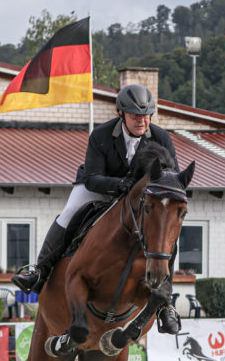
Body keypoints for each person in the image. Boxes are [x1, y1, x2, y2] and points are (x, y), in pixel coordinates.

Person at [11, 83, 181, 334]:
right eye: (135, 115)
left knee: (166, 228)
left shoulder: (161, 138)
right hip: (99, 188)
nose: (141, 121)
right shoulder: (101, 136)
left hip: (139, 197)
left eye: (146, 115)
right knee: (69, 212)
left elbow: (170, 178)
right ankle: (39, 270)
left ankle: (165, 301)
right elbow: (92, 177)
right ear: (121, 114)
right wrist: (121, 184)